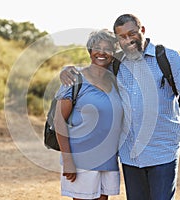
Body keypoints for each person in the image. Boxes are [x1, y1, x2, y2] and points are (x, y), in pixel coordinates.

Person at [59, 14, 180, 200]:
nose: (128, 40)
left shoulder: (168, 58)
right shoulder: (116, 63)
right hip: (129, 153)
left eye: (132, 34)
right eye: (122, 37)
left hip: (162, 151)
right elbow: (95, 66)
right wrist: (69, 69)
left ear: (142, 31)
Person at [53, 29, 123, 200]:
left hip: (108, 159)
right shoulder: (74, 78)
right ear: (90, 51)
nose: (102, 52)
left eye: (108, 49)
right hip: (81, 159)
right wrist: (68, 160)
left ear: (113, 53)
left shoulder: (116, 81)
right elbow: (59, 121)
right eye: (97, 47)